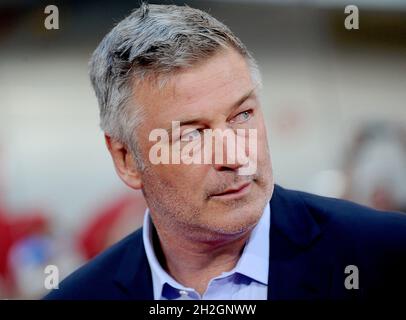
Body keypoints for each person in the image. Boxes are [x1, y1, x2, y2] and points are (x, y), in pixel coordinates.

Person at [44, 3, 406, 300]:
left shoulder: (387, 255)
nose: (236, 156)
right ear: (127, 160)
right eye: (192, 134)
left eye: (242, 115)